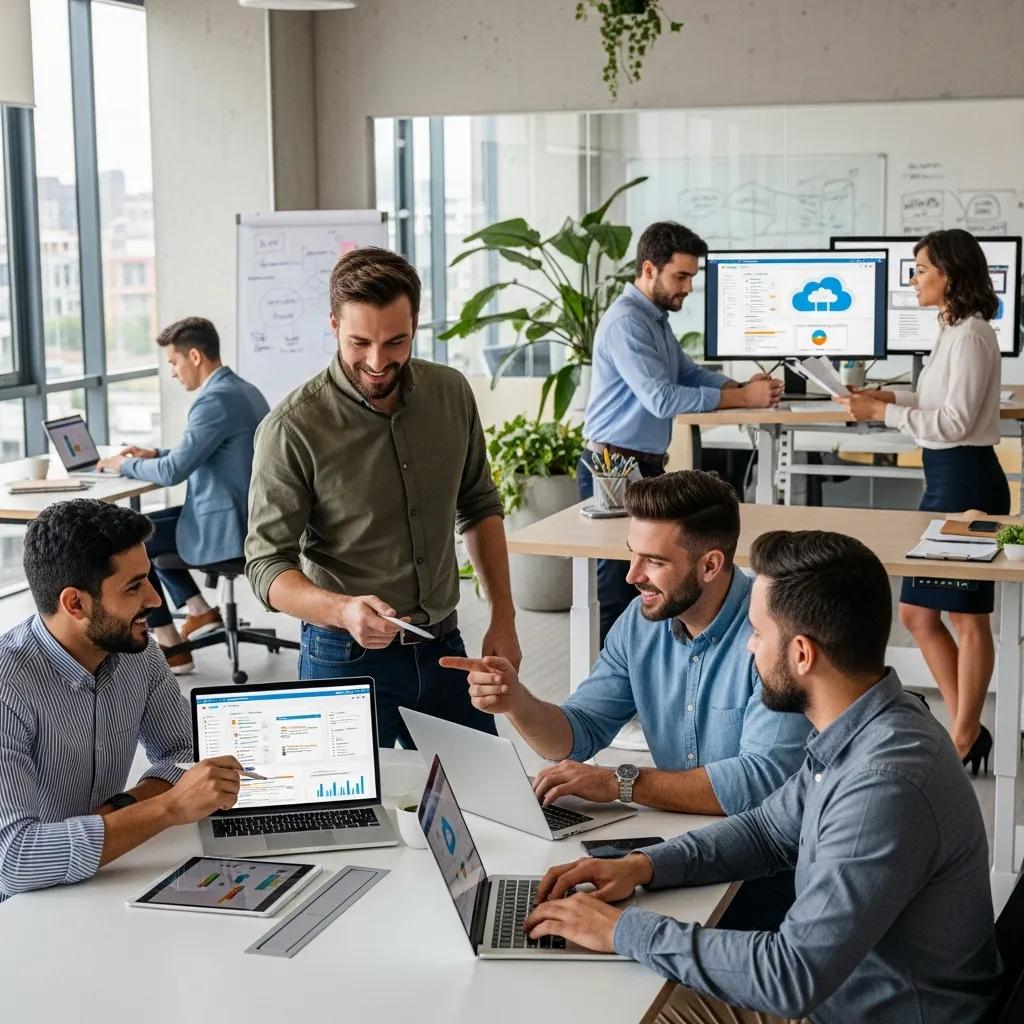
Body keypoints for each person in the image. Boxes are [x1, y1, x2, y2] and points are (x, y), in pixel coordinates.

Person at [523, 529, 1000, 1024]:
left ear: (801, 654)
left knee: (616, 1008)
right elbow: (768, 830)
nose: (749, 648)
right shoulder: (867, 721)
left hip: (855, 1013)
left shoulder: (883, 784)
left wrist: (622, 931)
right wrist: (641, 866)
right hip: (836, 996)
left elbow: (790, 976)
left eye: (757, 632)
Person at [442, 471, 810, 929]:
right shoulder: (641, 623)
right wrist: (516, 700)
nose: (632, 577)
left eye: (653, 561)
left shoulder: (773, 631)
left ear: (711, 565)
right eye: (632, 555)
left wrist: (621, 782)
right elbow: (576, 736)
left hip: (773, 875)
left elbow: (761, 784)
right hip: (680, 849)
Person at [245, 247, 520, 750]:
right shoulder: (292, 428)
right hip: (342, 655)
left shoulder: (451, 393)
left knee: (483, 808)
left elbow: (478, 505)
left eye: (396, 341)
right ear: (333, 325)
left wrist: (503, 615)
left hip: (444, 648)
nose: (377, 362)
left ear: (416, 324)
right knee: (342, 819)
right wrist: (343, 610)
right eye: (359, 342)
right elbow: (266, 566)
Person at [0, 499, 245, 901]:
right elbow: (15, 860)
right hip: (22, 909)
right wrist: (167, 808)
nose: (155, 600)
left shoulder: (140, 653)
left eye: (148, 579)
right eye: (134, 586)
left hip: (105, 874)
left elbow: (183, 750)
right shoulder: (8, 686)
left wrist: (121, 809)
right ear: (75, 604)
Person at [839, 229, 1008, 771]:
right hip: (945, 478)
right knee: (917, 612)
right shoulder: (953, 330)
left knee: (966, 618)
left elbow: (955, 422)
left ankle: (961, 735)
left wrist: (881, 415)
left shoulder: (974, 334)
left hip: (967, 482)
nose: (914, 279)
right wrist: (888, 397)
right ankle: (969, 728)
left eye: (921, 270)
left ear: (950, 275)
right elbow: (936, 400)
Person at [581, 221, 783, 642]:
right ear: (649, 269)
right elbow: (662, 398)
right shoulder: (627, 323)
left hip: (639, 463)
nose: (689, 287)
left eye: (692, 276)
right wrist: (745, 400)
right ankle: (608, 691)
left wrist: (741, 388)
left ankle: (639, 681)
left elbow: (687, 373)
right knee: (621, 585)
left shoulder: (653, 319)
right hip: (613, 465)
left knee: (650, 584)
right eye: (682, 276)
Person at [97, 317, 270, 675]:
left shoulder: (214, 401)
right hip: (246, 514)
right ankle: (198, 610)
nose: (173, 374)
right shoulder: (243, 390)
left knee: (131, 544)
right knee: (143, 528)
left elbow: (173, 472)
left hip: (227, 526)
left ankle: (172, 644)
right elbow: (200, 451)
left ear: (194, 356)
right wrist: (154, 454)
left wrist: (121, 465)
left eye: (173, 363)